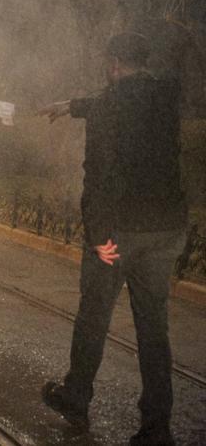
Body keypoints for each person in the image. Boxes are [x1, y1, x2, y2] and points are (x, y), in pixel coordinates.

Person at [39, 32, 187, 446]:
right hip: (165, 230)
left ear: (116, 64)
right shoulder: (164, 98)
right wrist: (73, 106)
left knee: (94, 316)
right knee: (154, 330)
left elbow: (99, 177)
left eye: (109, 64)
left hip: (120, 233)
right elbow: (123, 104)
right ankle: (157, 426)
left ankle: (76, 396)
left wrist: (98, 237)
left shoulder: (109, 108)